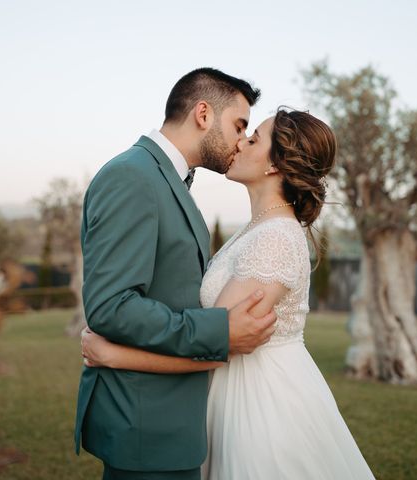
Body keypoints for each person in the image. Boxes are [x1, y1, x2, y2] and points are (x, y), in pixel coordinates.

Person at [82, 108, 377, 479]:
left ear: (275, 166)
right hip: (230, 394)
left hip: (261, 405)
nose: (240, 142)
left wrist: (113, 355)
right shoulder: (257, 229)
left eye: (253, 139)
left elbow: (216, 348)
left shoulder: (276, 240)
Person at [75, 68, 278, 480]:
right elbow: (111, 307)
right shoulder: (132, 176)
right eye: (239, 125)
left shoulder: (163, 177)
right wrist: (219, 331)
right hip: (146, 426)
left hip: (172, 423)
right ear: (203, 113)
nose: (242, 140)